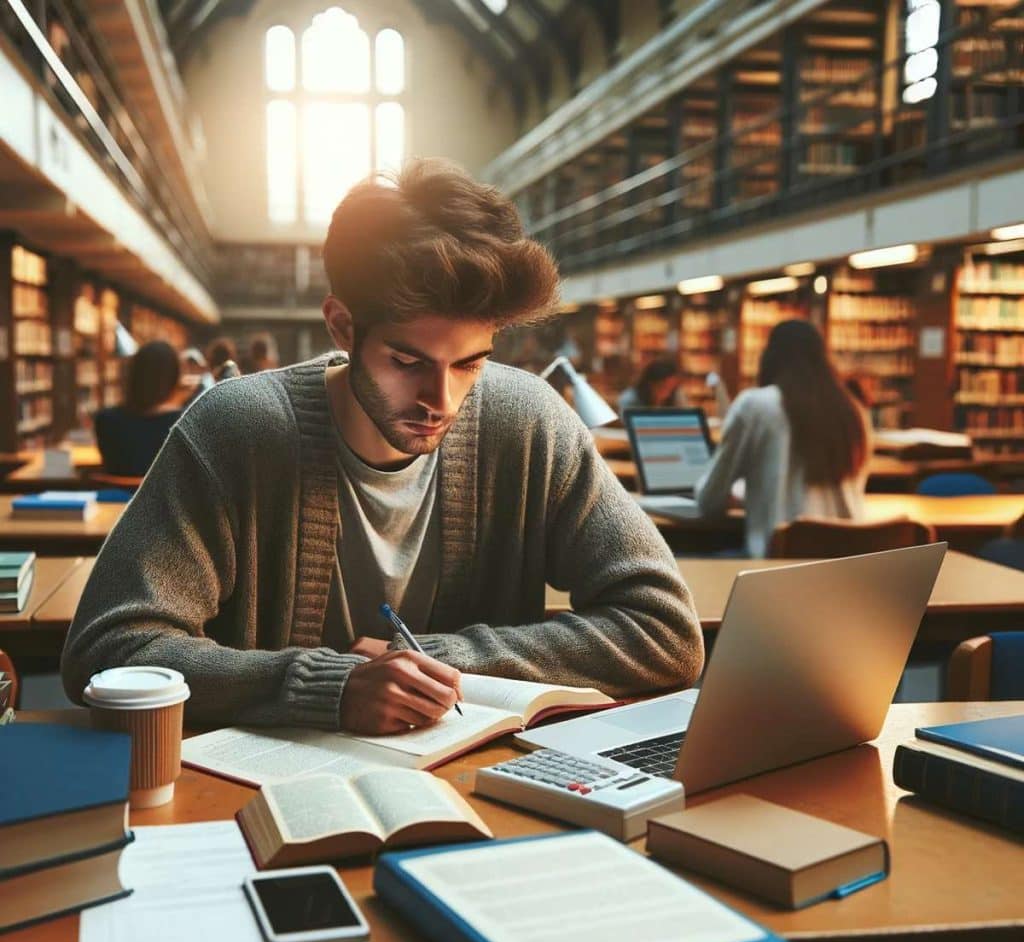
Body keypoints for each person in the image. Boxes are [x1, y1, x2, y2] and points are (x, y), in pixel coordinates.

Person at [62, 159, 703, 736]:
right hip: (256, 793)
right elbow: (111, 646)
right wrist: (325, 687)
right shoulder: (234, 429)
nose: (442, 400)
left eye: (470, 365)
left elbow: (666, 632)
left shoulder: (529, 420)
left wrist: (435, 660)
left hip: (479, 793)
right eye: (408, 361)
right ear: (342, 325)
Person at [694, 319, 870, 557]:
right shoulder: (853, 412)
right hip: (846, 571)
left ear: (769, 358)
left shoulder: (756, 406)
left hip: (776, 569)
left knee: (680, 562)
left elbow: (710, 502)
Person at [93, 339, 182, 477]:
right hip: (163, 499)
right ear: (174, 379)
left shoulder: (105, 420)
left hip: (117, 498)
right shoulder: (183, 422)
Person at [618, 358, 683, 415]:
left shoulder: (676, 395)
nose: (667, 394)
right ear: (649, 384)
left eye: (671, 388)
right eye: (662, 387)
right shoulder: (630, 399)